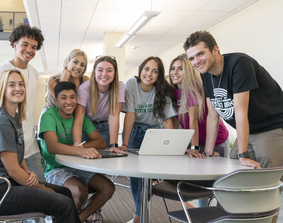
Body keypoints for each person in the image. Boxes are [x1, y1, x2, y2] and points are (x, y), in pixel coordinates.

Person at [184, 30, 283, 222]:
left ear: (215, 49)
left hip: (276, 127)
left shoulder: (239, 63)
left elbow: (240, 111)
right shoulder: (206, 74)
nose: (196, 61)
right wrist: (209, 153)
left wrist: (242, 154)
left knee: (266, 189)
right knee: (232, 184)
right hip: (250, 130)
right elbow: (213, 115)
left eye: (200, 54)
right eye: (192, 58)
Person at [0, 69, 80, 223]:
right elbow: (14, 170)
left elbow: (17, 155)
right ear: (2, 90)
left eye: (21, 84)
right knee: (64, 204)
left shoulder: (13, 116)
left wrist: (29, 173)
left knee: (65, 193)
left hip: (6, 184)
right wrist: (41, 188)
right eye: (12, 85)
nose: (18, 88)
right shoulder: (1, 121)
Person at [39, 81, 115, 223]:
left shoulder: (79, 117)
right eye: (63, 97)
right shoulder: (48, 115)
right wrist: (79, 151)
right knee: (80, 191)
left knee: (108, 187)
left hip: (76, 166)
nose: (69, 101)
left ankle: (76, 219)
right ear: (56, 101)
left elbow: (101, 142)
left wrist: (80, 149)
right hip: (53, 168)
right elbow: (52, 147)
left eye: (73, 97)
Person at [120, 56, 178, 223]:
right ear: (141, 69)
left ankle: (139, 215)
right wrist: (124, 144)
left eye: (155, 71)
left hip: (154, 133)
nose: (149, 74)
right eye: (146, 69)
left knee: (147, 176)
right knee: (134, 176)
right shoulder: (132, 83)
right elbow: (130, 115)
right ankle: (139, 215)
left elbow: (167, 120)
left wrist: (173, 145)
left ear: (159, 75)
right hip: (134, 130)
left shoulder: (164, 89)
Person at [0, 24, 46, 182]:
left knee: (41, 186)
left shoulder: (34, 72)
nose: (29, 50)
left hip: (30, 146)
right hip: (9, 146)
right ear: (15, 45)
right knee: (21, 192)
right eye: (25, 44)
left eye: (34, 47)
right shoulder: (0, 72)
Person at [169, 53, 229, 158]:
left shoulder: (193, 87)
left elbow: (194, 119)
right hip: (195, 140)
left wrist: (194, 148)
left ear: (188, 71)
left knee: (217, 174)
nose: (175, 72)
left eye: (180, 69)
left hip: (216, 141)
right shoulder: (171, 90)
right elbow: (174, 120)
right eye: (172, 68)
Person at [73, 56, 125, 153]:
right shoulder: (85, 88)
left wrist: (114, 145)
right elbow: (79, 120)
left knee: (105, 160)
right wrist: (77, 144)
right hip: (87, 126)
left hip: (106, 127)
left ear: (114, 73)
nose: (104, 74)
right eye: (100, 70)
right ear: (94, 72)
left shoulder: (119, 86)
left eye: (109, 70)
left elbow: (114, 116)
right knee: (85, 159)